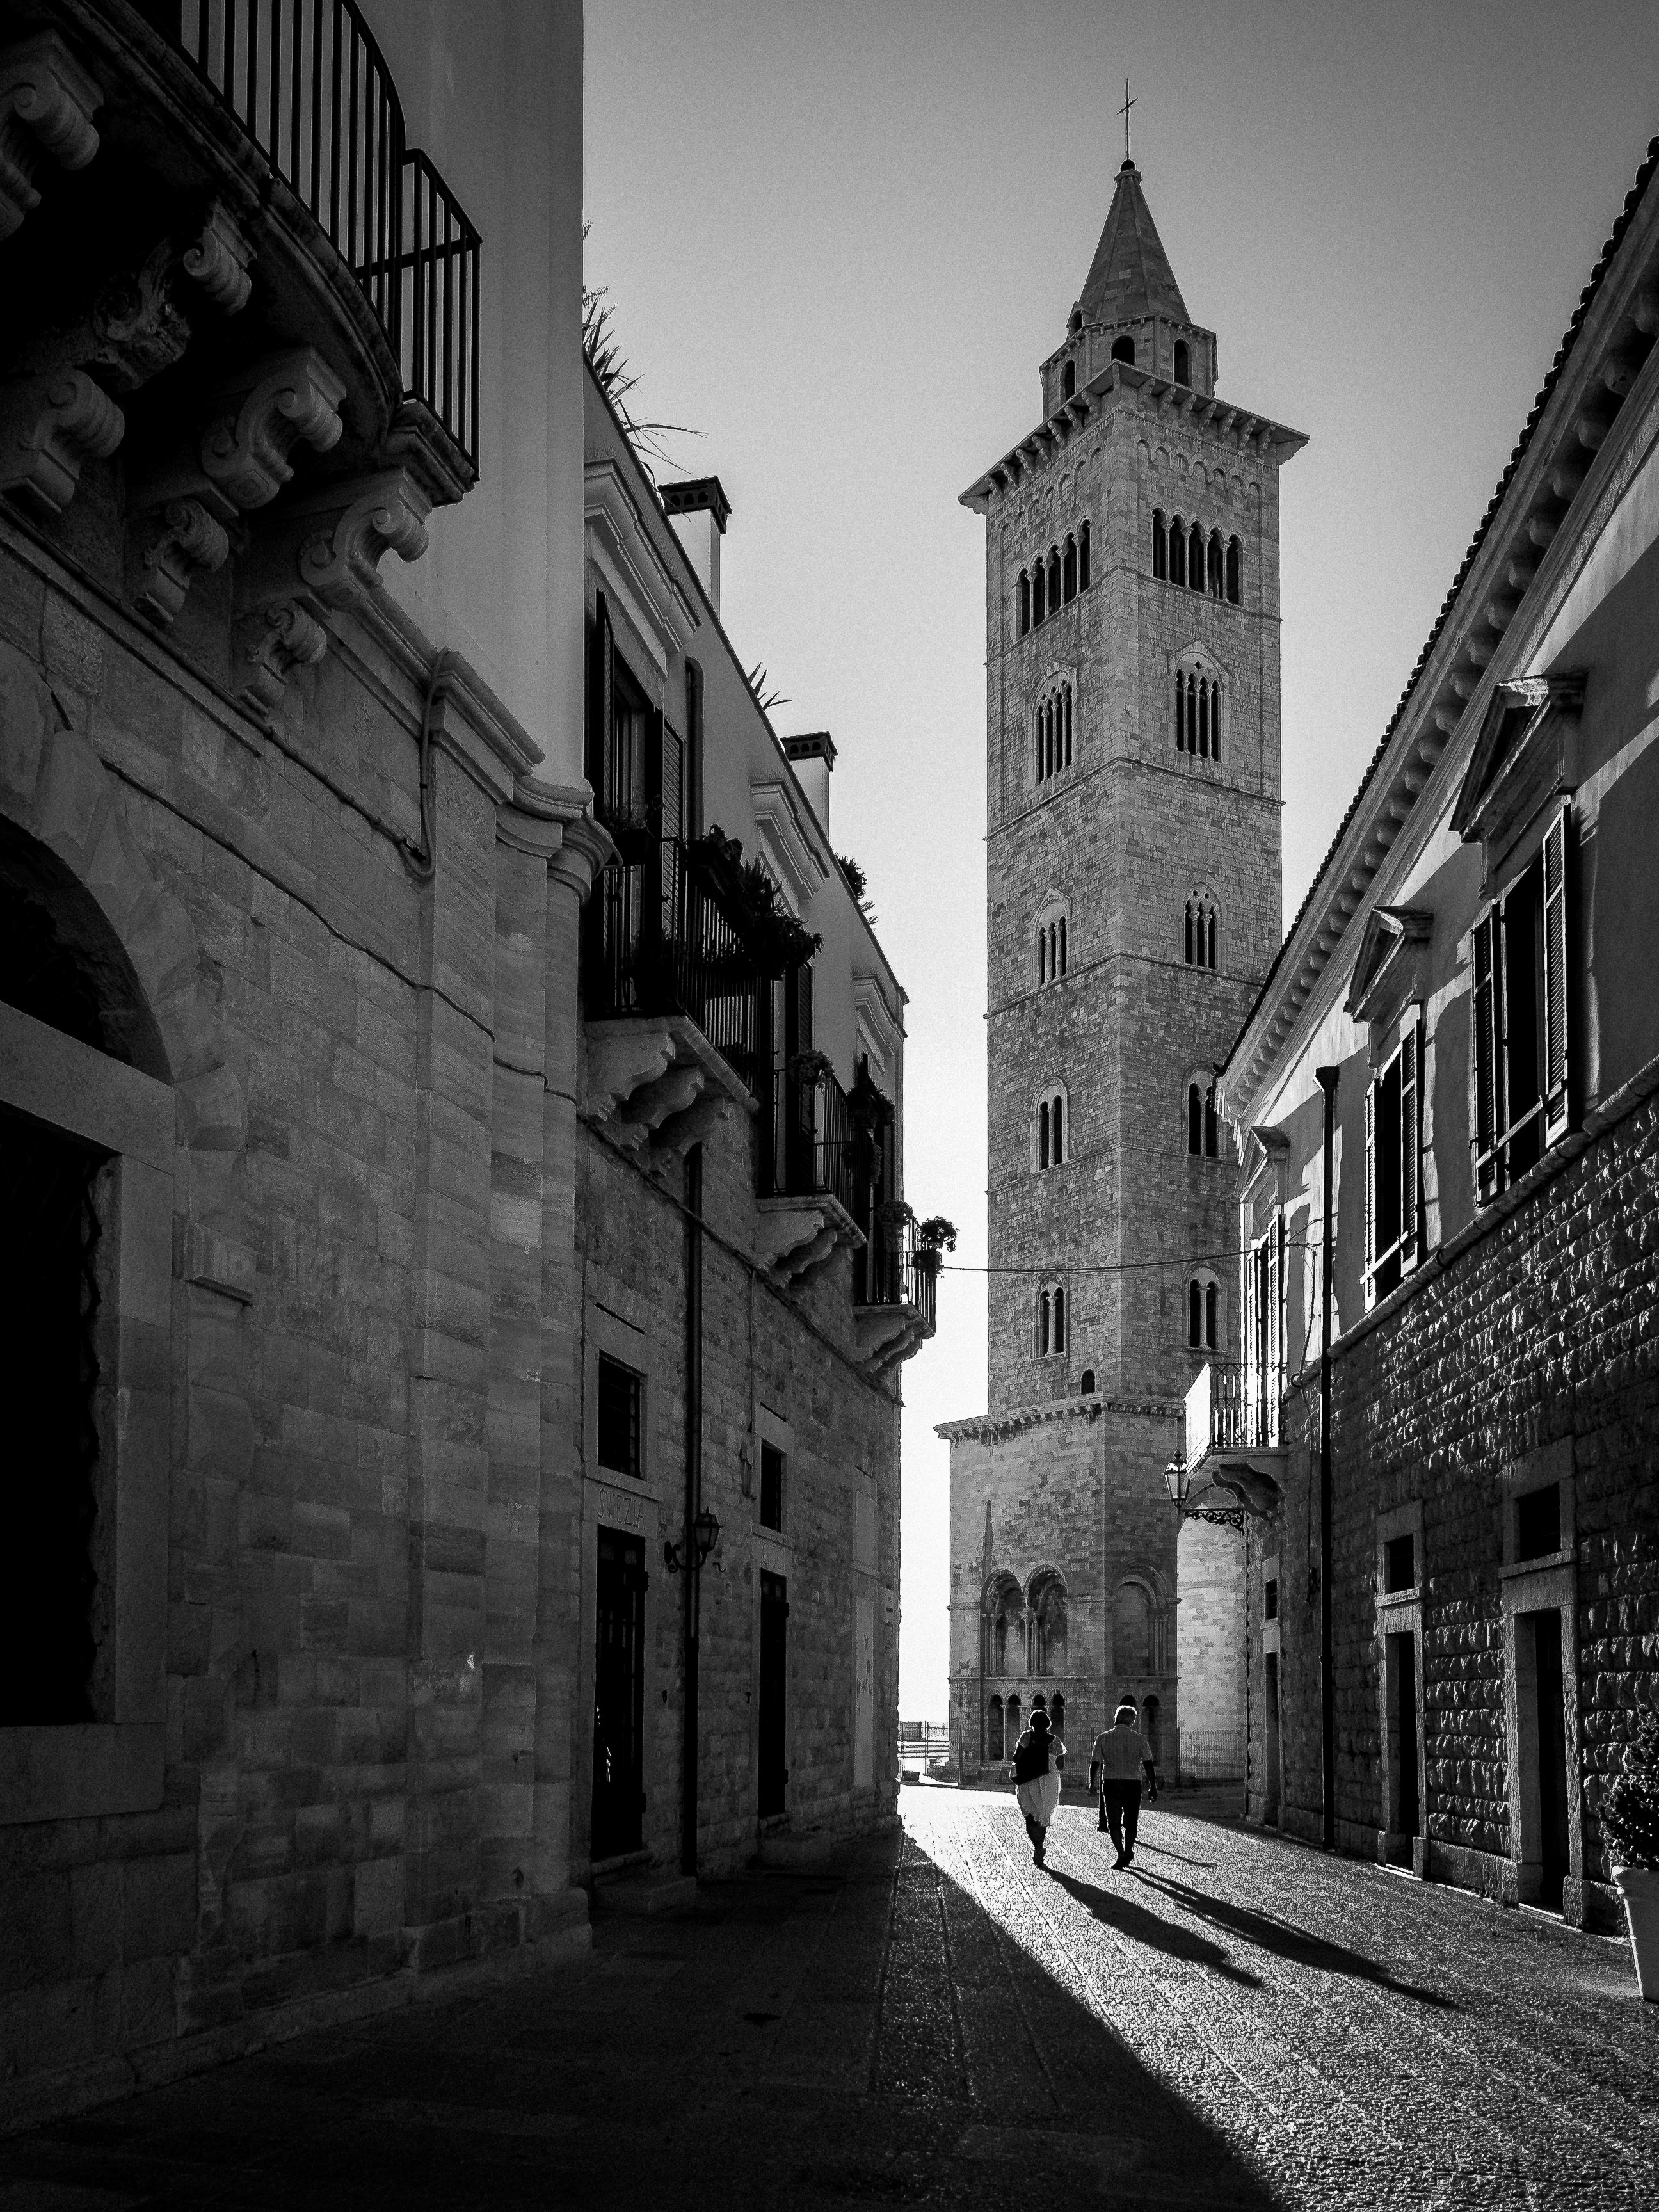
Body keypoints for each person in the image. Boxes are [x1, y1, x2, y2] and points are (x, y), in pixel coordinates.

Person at [1089, 1701, 1151, 1868]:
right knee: (1132, 1822)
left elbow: (1095, 1763)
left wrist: (1092, 1783)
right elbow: (1148, 1764)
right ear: (1132, 1721)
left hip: (1111, 1783)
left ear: (1116, 1718)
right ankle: (1128, 1849)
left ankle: (1121, 1853)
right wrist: (1153, 1786)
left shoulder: (1102, 1737)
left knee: (1113, 1823)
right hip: (1133, 1784)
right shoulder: (1140, 1739)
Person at [1010, 1703, 1066, 1868]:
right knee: (1042, 1815)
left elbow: (1015, 1757)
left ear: (1031, 1723)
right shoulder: (1055, 1741)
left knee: (1029, 1814)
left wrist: (1030, 1756)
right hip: (1049, 1779)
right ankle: (1039, 1846)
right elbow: (1061, 1765)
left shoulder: (1026, 1736)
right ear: (1048, 1723)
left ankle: (1037, 1846)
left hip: (1028, 1779)